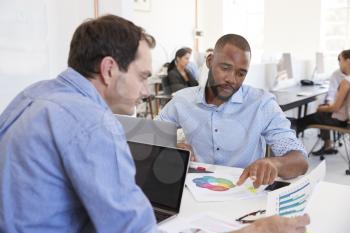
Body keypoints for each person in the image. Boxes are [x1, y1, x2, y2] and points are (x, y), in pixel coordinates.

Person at [0, 15, 310, 233]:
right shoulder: (95, 125)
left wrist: (274, 162)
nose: (147, 91)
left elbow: (298, 157)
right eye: (143, 77)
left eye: (241, 73)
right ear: (109, 70)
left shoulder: (31, 95)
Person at [157, 34, 308, 189]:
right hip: (195, 190)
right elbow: (150, 136)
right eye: (225, 68)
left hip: (243, 194)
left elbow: (300, 160)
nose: (232, 79)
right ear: (209, 61)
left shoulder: (262, 104)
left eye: (241, 73)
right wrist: (171, 145)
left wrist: (275, 163)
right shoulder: (183, 100)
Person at [295, 51, 350, 153]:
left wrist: (321, 108)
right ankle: (327, 145)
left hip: (340, 121)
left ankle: (291, 153)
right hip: (345, 119)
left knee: (299, 122)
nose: (339, 63)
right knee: (318, 113)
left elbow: (335, 108)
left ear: (347, 61)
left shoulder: (346, 82)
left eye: (340, 60)